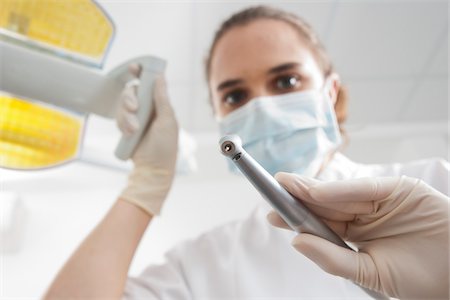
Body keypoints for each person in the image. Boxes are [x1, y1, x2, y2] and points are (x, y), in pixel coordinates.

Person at [43, 5, 449, 299]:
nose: (262, 106)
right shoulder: (203, 263)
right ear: (220, 119)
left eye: (286, 81)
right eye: (235, 95)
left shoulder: (434, 187)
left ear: (330, 92)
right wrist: (147, 182)